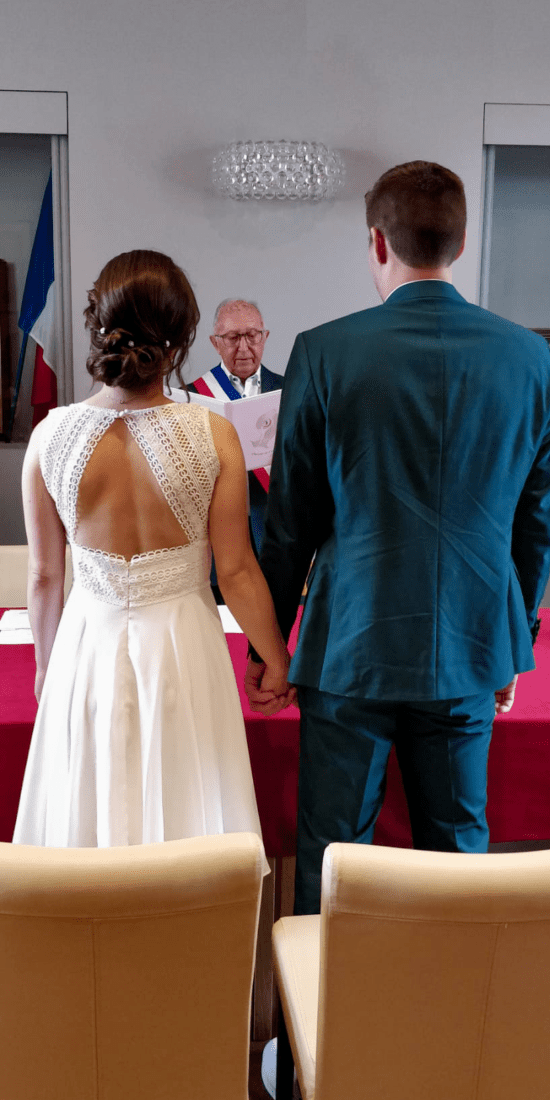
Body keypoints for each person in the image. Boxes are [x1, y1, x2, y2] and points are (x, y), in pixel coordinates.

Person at [246, 160, 550, 916]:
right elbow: (536, 521)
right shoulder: (533, 358)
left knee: (334, 859)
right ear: (461, 242)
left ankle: (323, 996)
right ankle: (452, 997)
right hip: (470, 641)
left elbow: (291, 520)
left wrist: (268, 649)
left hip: (351, 644)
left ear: (377, 243)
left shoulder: (324, 351)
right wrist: (514, 634)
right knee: (456, 860)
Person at [13, 250, 294, 849]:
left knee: (90, 816)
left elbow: (43, 577)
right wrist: (276, 657)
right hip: (182, 648)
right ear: (182, 337)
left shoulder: (48, 437)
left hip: (86, 649)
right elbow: (237, 570)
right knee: (191, 811)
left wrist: (45, 668)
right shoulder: (212, 434)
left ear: (98, 326)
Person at [188, 299, 282, 562]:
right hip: (216, 530)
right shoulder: (191, 396)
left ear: (264, 337)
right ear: (215, 342)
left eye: (252, 336)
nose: (243, 347)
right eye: (232, 338)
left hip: (275, 530)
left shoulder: (290, 388)